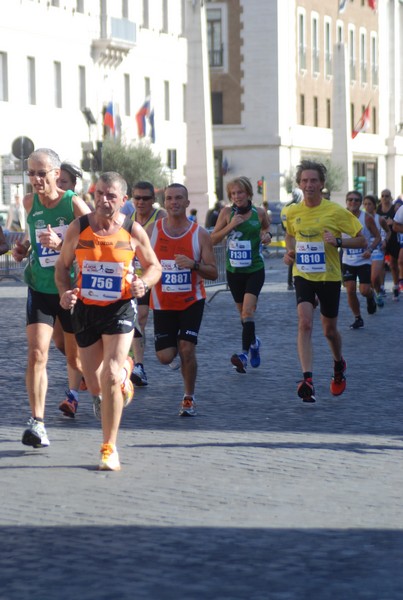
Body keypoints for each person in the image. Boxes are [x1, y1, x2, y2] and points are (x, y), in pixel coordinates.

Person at [55, 171, 161, 470]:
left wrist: (144, 283)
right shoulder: (79, 228)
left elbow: (154, 266)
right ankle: (125, 372)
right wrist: (65, 293)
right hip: (86, 310)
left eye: (111, 195)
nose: (103, 199)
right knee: (96, 384)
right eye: (99, 193)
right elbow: (62, 268)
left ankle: (108, 447)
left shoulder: (132, 230)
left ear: (123, 200)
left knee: (111, 376)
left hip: (120, 307)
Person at [11, 148, 91, 448]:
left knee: (74, 357)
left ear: (57, 174)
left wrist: (63, 245)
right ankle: (37, 422)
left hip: (70, 291)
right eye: (31, 173)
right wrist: (23, 251)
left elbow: (97, 243)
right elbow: (33, 242)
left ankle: (108, 382)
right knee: (37, 354)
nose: (35, 179)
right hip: (39, 288)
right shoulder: (29, 203)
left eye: (41, 173)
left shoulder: (74, 204)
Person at [284, 160, 366, 403]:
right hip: (303, 275)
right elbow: (290, 235)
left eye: (314, 180)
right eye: (305, 181)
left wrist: (338, 242)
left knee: (329, 331)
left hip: (329, 276)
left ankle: (338, 363)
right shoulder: (292, 211)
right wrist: (290, 252)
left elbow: (360, 240)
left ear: (322, 184)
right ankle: (307, 378)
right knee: (305, 323)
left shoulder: (336, 211)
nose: (309, 185)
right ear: (299, 184)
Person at [148, 183, 217, 416]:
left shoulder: (200, 234)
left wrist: (194, 265)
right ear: (164, 203)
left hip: (191, 301)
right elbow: (137, 259)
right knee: (165, 356)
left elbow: (213, 272)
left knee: (187, 349)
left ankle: (188, 397)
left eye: (179, 198)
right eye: (169, 198)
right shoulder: (152, 231)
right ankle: (177, 348)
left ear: (187, 203)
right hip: (162, 302)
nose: (174, 202)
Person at [210, 176, 271, 373]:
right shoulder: (227, 213)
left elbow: (267, 228)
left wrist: (266, 236)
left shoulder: (259, 213)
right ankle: (254, 343)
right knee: (243, 316)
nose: (237, 196)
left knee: (248, 312)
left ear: (248, 193)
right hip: (234, 271)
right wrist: (230, 226)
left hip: (254, 269)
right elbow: (212, 239)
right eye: (233, 193)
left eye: (240, 192)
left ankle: (243, 354)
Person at [129, 181, 166, 387]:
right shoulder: (127, 219)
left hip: (160, 277)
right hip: (138, 279)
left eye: (146, 198)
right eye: (137, 198)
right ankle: (138, 366)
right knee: (139, 318)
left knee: (166, 333)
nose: (141, 202)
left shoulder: (160, 218)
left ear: (153, 200)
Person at [341, 191, 380, 329]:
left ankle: (370, 297)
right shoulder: (340, 217)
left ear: (360, 202)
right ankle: (358, 318)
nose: (353, 202)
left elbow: (377, 237)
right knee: (350, 290)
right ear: (346, 201)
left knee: (364, 290)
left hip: (364, 260)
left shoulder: (367, 218)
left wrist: (370, 250)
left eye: (356, 200)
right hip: (347, 259)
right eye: (350, 200)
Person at [362, 194, 390, 307]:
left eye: (369, 204)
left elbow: (388, 231)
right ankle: (373, 294)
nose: (367, 206)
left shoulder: (380, 219)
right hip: (364, 250)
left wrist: (385, 241)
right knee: (369, 280)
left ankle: (377, 293)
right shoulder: (361, 218)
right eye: (365, 204)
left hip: (377, 249)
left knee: (374, 277)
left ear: (374, 205)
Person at [377, 189, 400, 300]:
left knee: (393, 264)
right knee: (381, 264)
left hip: (394, 238)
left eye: (387, 196)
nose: (385, 198)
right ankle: (382, 287)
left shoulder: (394, 208)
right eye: (383, 196)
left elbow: (399, 221)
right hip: (382, 238)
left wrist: (392, 223)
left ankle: (396, 287)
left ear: (390, 197)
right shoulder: (378, 209)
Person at [281, 188, 303, 290]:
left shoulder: (285, 207)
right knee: (294, 257)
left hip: (288, 233)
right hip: (296, 235)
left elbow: (282, 223)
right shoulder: (297, 207)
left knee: (292, 257)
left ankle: (290, 281)